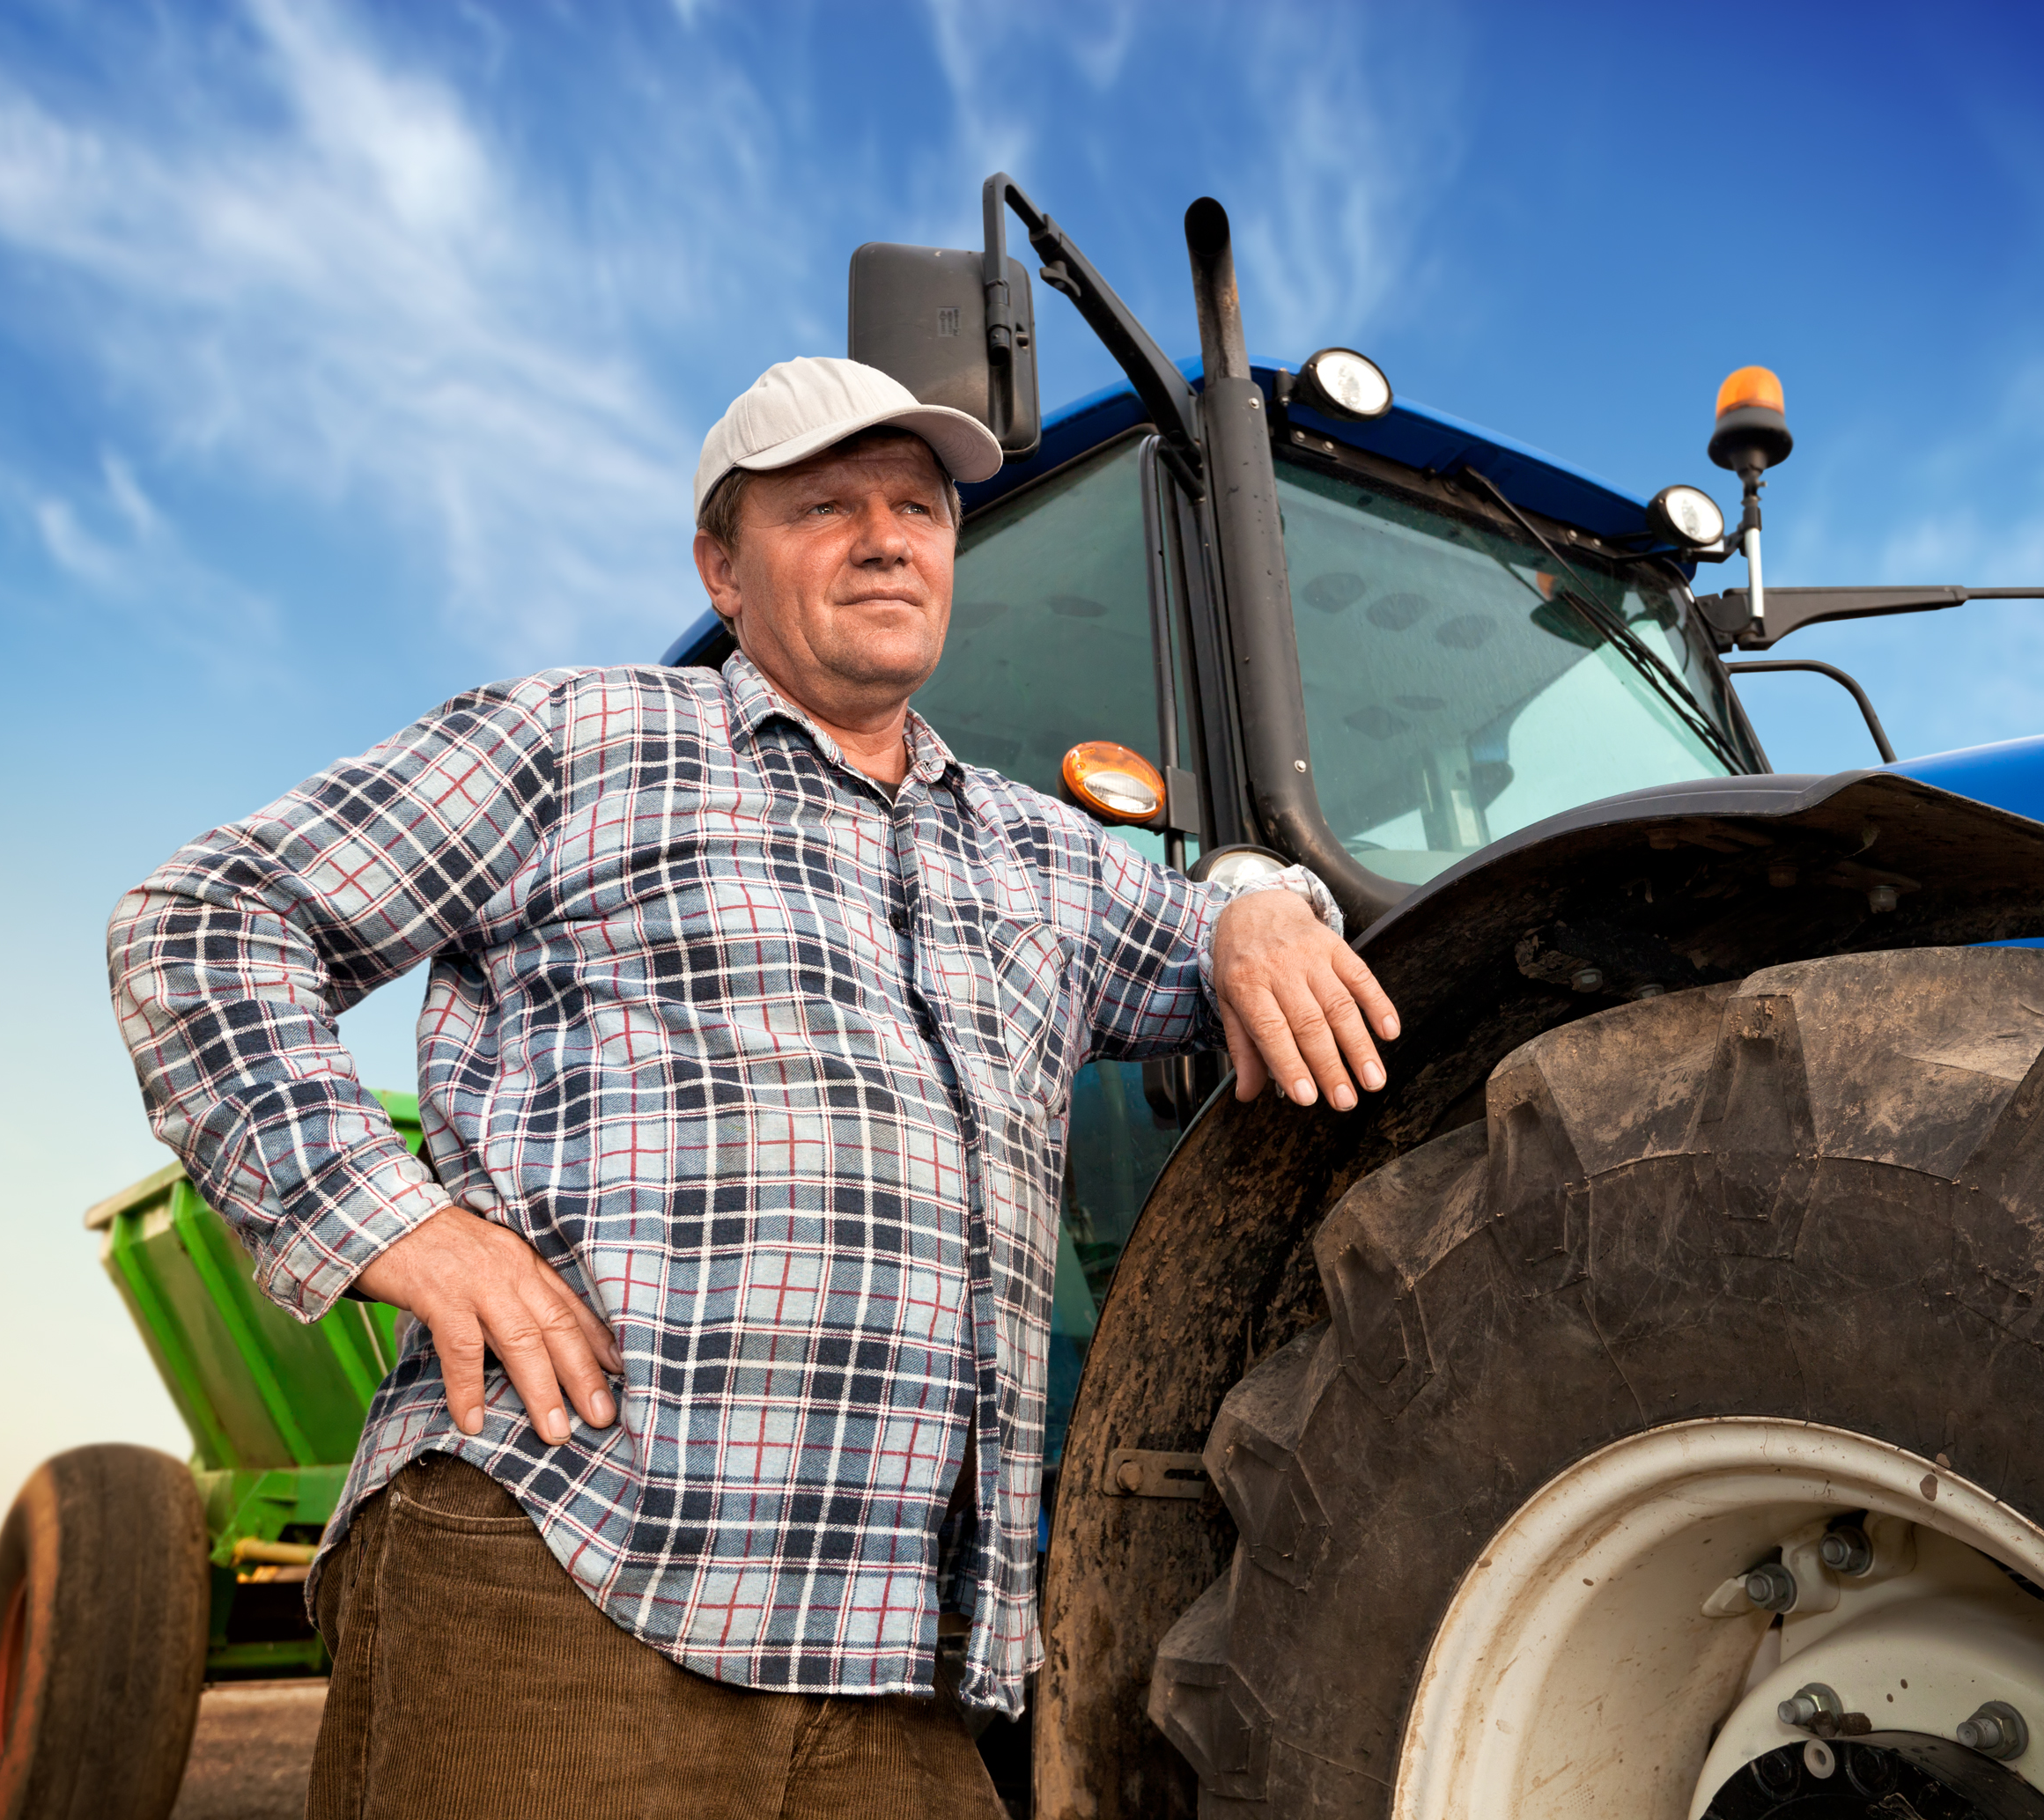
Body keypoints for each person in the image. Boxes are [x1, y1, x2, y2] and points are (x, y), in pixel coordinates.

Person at [107, 356, 1398, 1817]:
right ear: (723, 568)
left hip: (902, 1666)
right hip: (576, 1578)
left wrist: (1257, 903)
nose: (887, 535)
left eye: (918, 506)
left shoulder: (1034, 854)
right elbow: (207, 922)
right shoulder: (585, 741)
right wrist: (393, 1221)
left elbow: (1231, 939)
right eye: (825, 506)